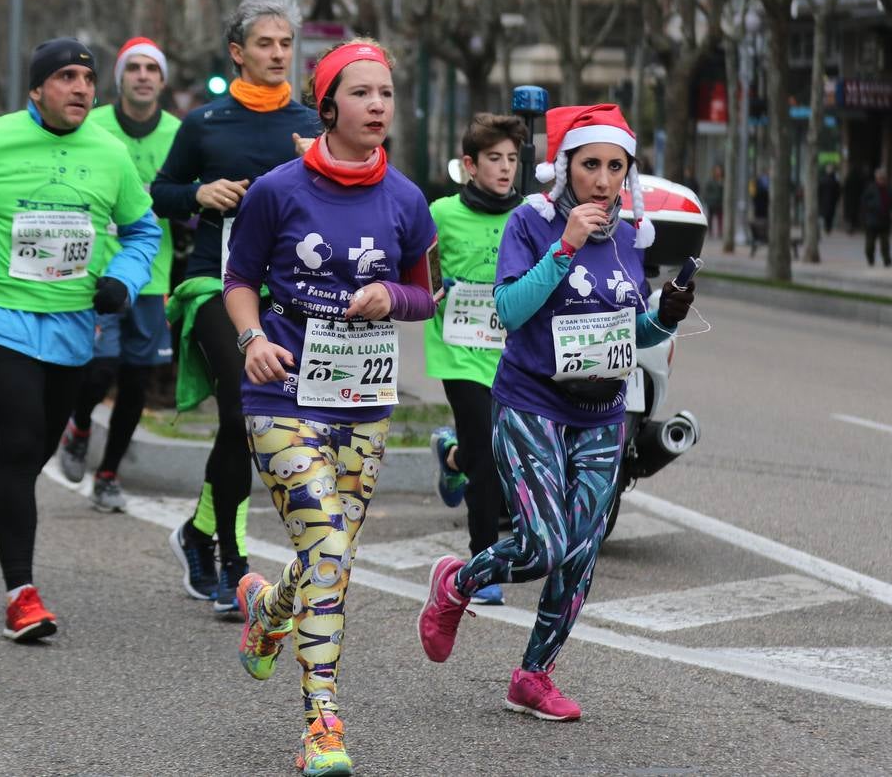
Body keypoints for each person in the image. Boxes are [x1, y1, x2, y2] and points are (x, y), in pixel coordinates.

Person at [417, 103, 696, 721]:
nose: (602, 179)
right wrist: (564, 249)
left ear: (628, 173)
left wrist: (662, 318)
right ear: (565, 168)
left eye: (614, 167)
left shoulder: (628, 235)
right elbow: (511, 311)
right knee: (542, 546)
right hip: (531, 401)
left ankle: (533, 676)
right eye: (589, 164)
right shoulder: (531, 223)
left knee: (582, 549)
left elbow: (626, 329)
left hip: (602, 411)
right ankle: (455, 584)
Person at [225, 38, 437, 776]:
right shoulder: (278, 190)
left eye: (385, 93)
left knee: (329, 556)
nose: (378, 105)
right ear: (328, 106)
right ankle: (322, 722)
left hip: (363, 403)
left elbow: (425, 294)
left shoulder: (406, 199)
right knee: (329, 544)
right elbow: (239, 279)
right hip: (281, 391)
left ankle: (268, 610)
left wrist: (393, 297)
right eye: (362, 93)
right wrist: (251, 336)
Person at [0, 38, 159, 641]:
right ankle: (21, 595)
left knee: (35, 450)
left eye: (87, 78)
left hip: (74, 322)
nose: (81, 89)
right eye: (66, 78)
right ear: (35, 89)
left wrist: (123, 283)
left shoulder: (109, 154)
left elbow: (142, 231)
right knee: (23, 445)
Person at [151, 0, 322, 613]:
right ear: (238, 53)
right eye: (266, 44)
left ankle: (196, 532)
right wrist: (199, 191)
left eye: (285, 44)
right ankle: (233, 561)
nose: (278, 54)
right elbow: (160, 194)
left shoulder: (308, 124)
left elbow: (347, 191)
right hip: (215, 285)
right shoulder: (204, 123)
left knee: (258, 425)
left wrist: (318, 167)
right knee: (240, 414)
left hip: (290, 291)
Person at [57, 37, 180, 512]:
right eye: (135, 68)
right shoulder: (94, 124)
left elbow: (189, 194)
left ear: (162, 81)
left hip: (152, 275)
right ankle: (80, 424)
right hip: (96, 274)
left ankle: (108, 473)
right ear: (120, 78)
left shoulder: (177, 134)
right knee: (98, 369)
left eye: (152, 68)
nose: (144, 76)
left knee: (136, 380)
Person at [425, 113, 526, 605]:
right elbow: (418, 264)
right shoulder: (441, 212)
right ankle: (481, 563)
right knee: (487, 463)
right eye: (494, 159)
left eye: (512, 159)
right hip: (458, 351)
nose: (505, 168)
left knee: (498, 452)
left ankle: (452, 454)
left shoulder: (528, 216)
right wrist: (429, 291)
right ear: (469, 164)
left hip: (511, 351)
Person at [860, 166, 892, 267]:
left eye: (883, 178)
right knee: (869, 245)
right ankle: (870, 258)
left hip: (884, 221)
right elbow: (864, 202)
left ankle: (887, 261)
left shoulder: (889, 190)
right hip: (872, 221)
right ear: (876, 178)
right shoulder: (870, 189)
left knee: (885, 244)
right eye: (880, 178)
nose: (882, 180)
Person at [703, 164, 725, 239]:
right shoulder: (711, 181)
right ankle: (710, 232)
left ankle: (720, 232)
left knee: (720, 218)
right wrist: (708, 200)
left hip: (719, 203)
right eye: (717, 170)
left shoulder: (722, 181)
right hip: (712, 203)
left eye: (719, 170)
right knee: (711, 217)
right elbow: (706, 192)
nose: (718, 172)